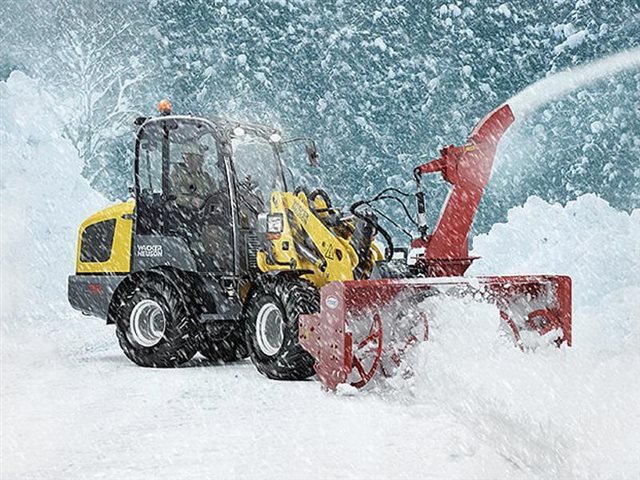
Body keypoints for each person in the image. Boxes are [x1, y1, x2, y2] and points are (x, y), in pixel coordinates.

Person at [170, 140, 217, 209]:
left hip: (205, 215)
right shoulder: (177, 175)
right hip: (181, 213)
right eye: (188, 157)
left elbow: (216, 195)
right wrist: (190, 200)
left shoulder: (207, 178)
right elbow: (172, 196)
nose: (189, 160)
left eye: (194, 158)